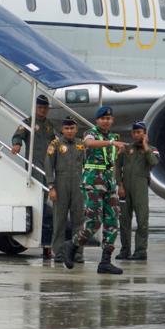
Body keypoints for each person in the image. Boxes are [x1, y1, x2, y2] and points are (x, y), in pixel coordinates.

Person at [64, 106, 126, 274]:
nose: (106, 121)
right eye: (103, 118)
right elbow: (89, 144)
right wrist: (112, 143)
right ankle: (72, 245)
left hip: (109, 182)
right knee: (94, 221)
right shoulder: (91, 133)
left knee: (113, 221)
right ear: (97, 120)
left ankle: (105, 261)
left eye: (109, 118)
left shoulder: (114, 136)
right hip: (93, 181)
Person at [11, 94, 56, 258]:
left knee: (44, 199)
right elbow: (18, 135)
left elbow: (54, 143)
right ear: (35, 108)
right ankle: (38, 232)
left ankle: (45, 235)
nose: (42, 111)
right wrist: (16, 144)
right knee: (36, 198)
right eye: (40, 107)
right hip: (35, 165)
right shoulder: (28, 122)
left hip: (47, 166)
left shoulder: (49, 126)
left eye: (45, 108)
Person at [116, 121, 159, 261]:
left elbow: (153, 162)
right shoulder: (127, 149)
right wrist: (120, 185)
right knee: (124, 221)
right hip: (126, 188)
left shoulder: (152, 150)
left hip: (140, 187)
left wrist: (146, 146)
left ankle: (141, 251)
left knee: (142, 221)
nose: (136, 135)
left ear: (145, 134)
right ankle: (125, 250)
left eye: (139, 132)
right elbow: (118, 167)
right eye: (134, 132)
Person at [46, 117, 86, 265]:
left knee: (78, 221)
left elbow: (86, 165)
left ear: (76, 130)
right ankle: (58, 253)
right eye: (67, 128)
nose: (69, 131)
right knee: (59, 221)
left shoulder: (81, 145)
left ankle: (77, 252)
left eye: (72, 128)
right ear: (62, 130)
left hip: (78, 185)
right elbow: (49, 165)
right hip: (60, 184)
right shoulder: (55, 144)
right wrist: (51, 186)